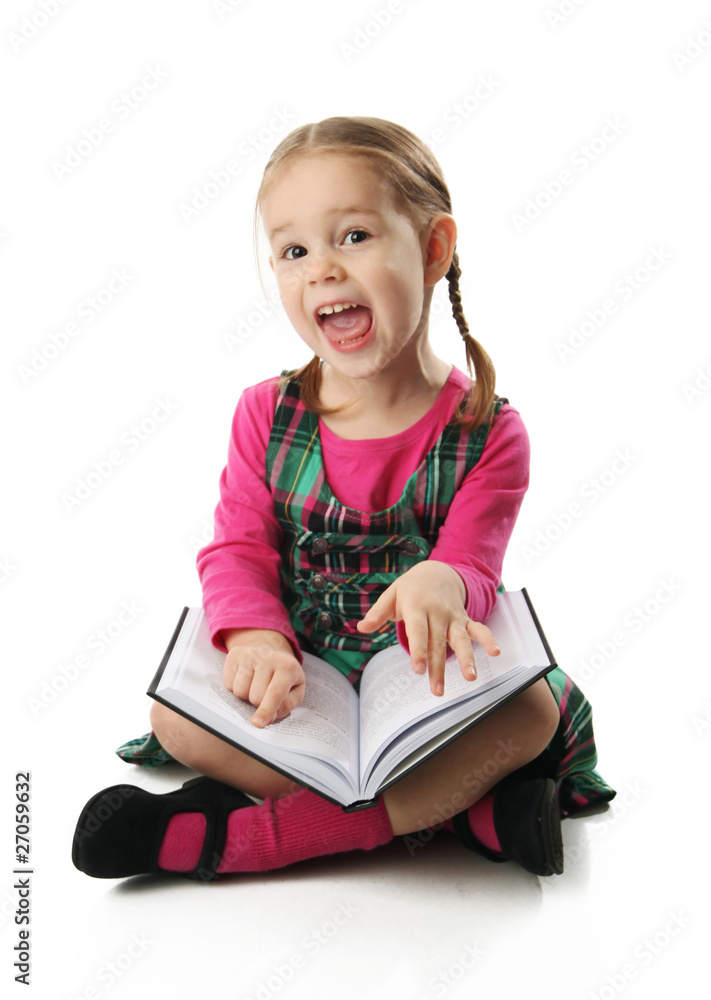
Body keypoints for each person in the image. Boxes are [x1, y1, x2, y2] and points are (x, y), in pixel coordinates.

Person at [72, 116, 615, 883]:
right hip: (304, 672)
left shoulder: (489, 431)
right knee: (175, 717)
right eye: (294, 251)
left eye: (354, 236)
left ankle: (256, 838)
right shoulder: (265, 413)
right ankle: (460, 813)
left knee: (530, 713)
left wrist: (441, 582)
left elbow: (473, 565)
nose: (321, 269)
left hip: (421, 675)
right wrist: (256, 640)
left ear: (433, 248)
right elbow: (237, 548)